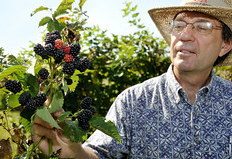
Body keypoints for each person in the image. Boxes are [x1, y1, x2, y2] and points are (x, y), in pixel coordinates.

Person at [33, 0, 232, 158]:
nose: (185, 35)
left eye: (202, 27)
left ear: (225, 44)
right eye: (179, 25)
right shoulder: (133, 101)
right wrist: (75, 154)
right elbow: (100, 154)